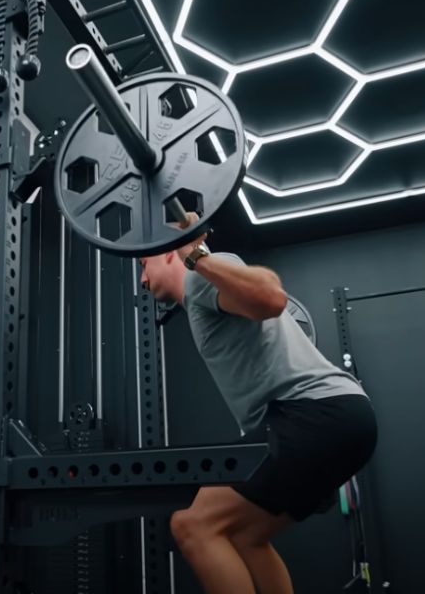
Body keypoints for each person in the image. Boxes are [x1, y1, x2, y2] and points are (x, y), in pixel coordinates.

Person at [138, 220, 377, 594]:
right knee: (245, 538)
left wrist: (196, 255)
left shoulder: (200, 278)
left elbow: (271, 298)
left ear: (169, 251)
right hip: (338, 416)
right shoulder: (203, 296)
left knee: (193, 525)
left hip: (315, 412)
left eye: (143, 265)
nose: (143, 280)